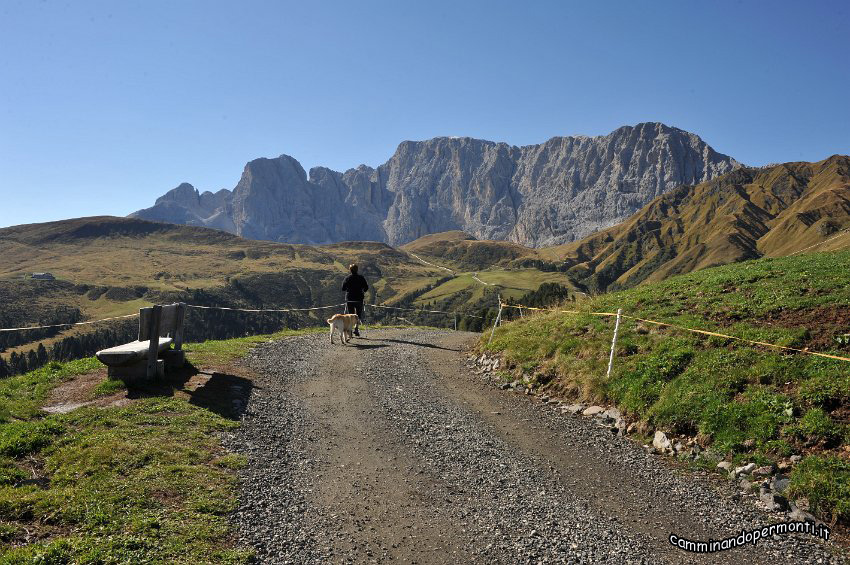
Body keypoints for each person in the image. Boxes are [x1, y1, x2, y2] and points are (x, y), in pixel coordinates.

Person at [341, 263, 368, 336]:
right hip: (359, 299)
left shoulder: (347, 278)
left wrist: (349, 289)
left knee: (350, 315)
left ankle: (350, 330)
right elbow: (366, 288)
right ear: (357, 269)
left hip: (350, 299)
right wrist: (362, 290)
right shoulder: (361, 278)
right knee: (358, 314)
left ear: (350, 270)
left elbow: (343, 288)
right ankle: (356, 328)